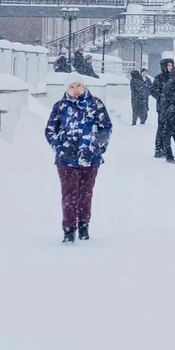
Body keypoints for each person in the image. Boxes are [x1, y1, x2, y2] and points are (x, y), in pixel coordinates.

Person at [45, 75, 112, 243]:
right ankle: (68, 230)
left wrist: (99, 145)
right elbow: (50, 130)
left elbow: (106, 127)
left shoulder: (95, 104)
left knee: (85, 194)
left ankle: (83, 226)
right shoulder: (60, 106)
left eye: (78, 86)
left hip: (90, 158)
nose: (76, 90)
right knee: (69, 195)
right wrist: (59, 147)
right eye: (72, 86)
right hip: (66, 159)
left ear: (84, 86)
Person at [150, 58, 174, 158]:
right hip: (162, 107)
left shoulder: (174, 77)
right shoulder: (159, 78)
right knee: (161, 128)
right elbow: (153, 91)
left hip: (172, 108)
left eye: (171, 65)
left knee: (169, 128)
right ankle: (158, 148)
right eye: (168, 65)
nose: (170, 67)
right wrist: (161, 97)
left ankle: (166, 148)